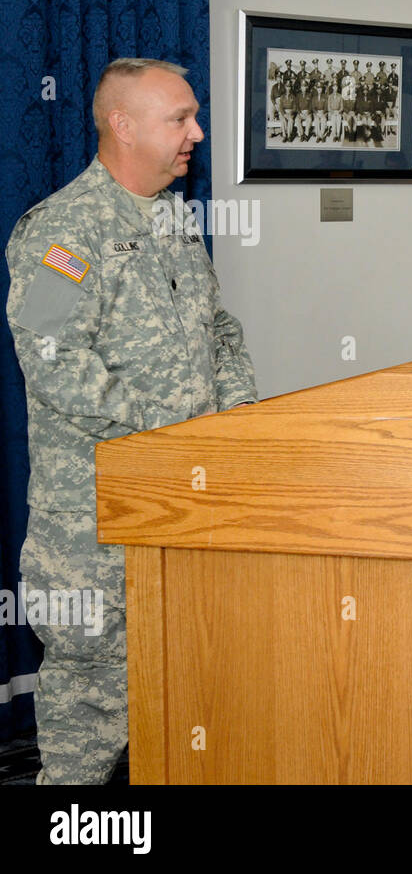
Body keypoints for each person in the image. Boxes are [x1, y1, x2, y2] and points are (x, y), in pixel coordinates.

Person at [5, 58, 257, 783]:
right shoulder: (63, 230)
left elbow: (220, 330)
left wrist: (234, 419)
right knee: (91, 711)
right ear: (123, 125)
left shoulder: (175, 221)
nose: (197, 133)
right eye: (180, 118)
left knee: (184, 696)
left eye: (193, 116)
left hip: (187, 503)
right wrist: (168, 428)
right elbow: (54, 361)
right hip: (92, 524)